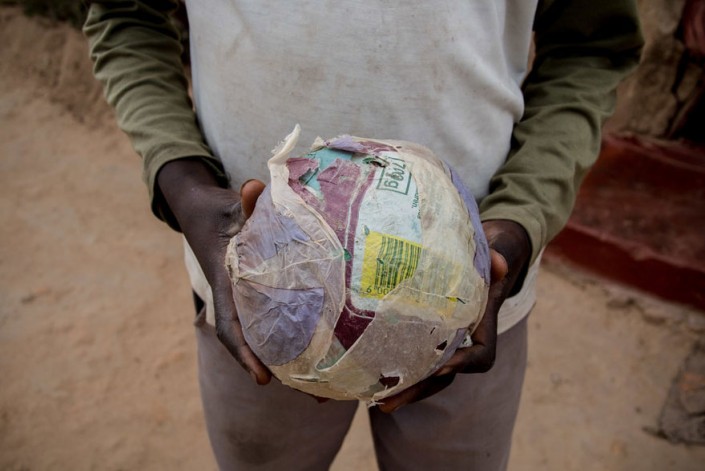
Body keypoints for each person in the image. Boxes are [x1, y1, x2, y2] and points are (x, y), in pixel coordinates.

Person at [84, 1, 643, 469]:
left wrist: (524, 213)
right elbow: (125, 14)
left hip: (469, 306)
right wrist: (183, 183)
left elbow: (591, 47)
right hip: (252, 293)